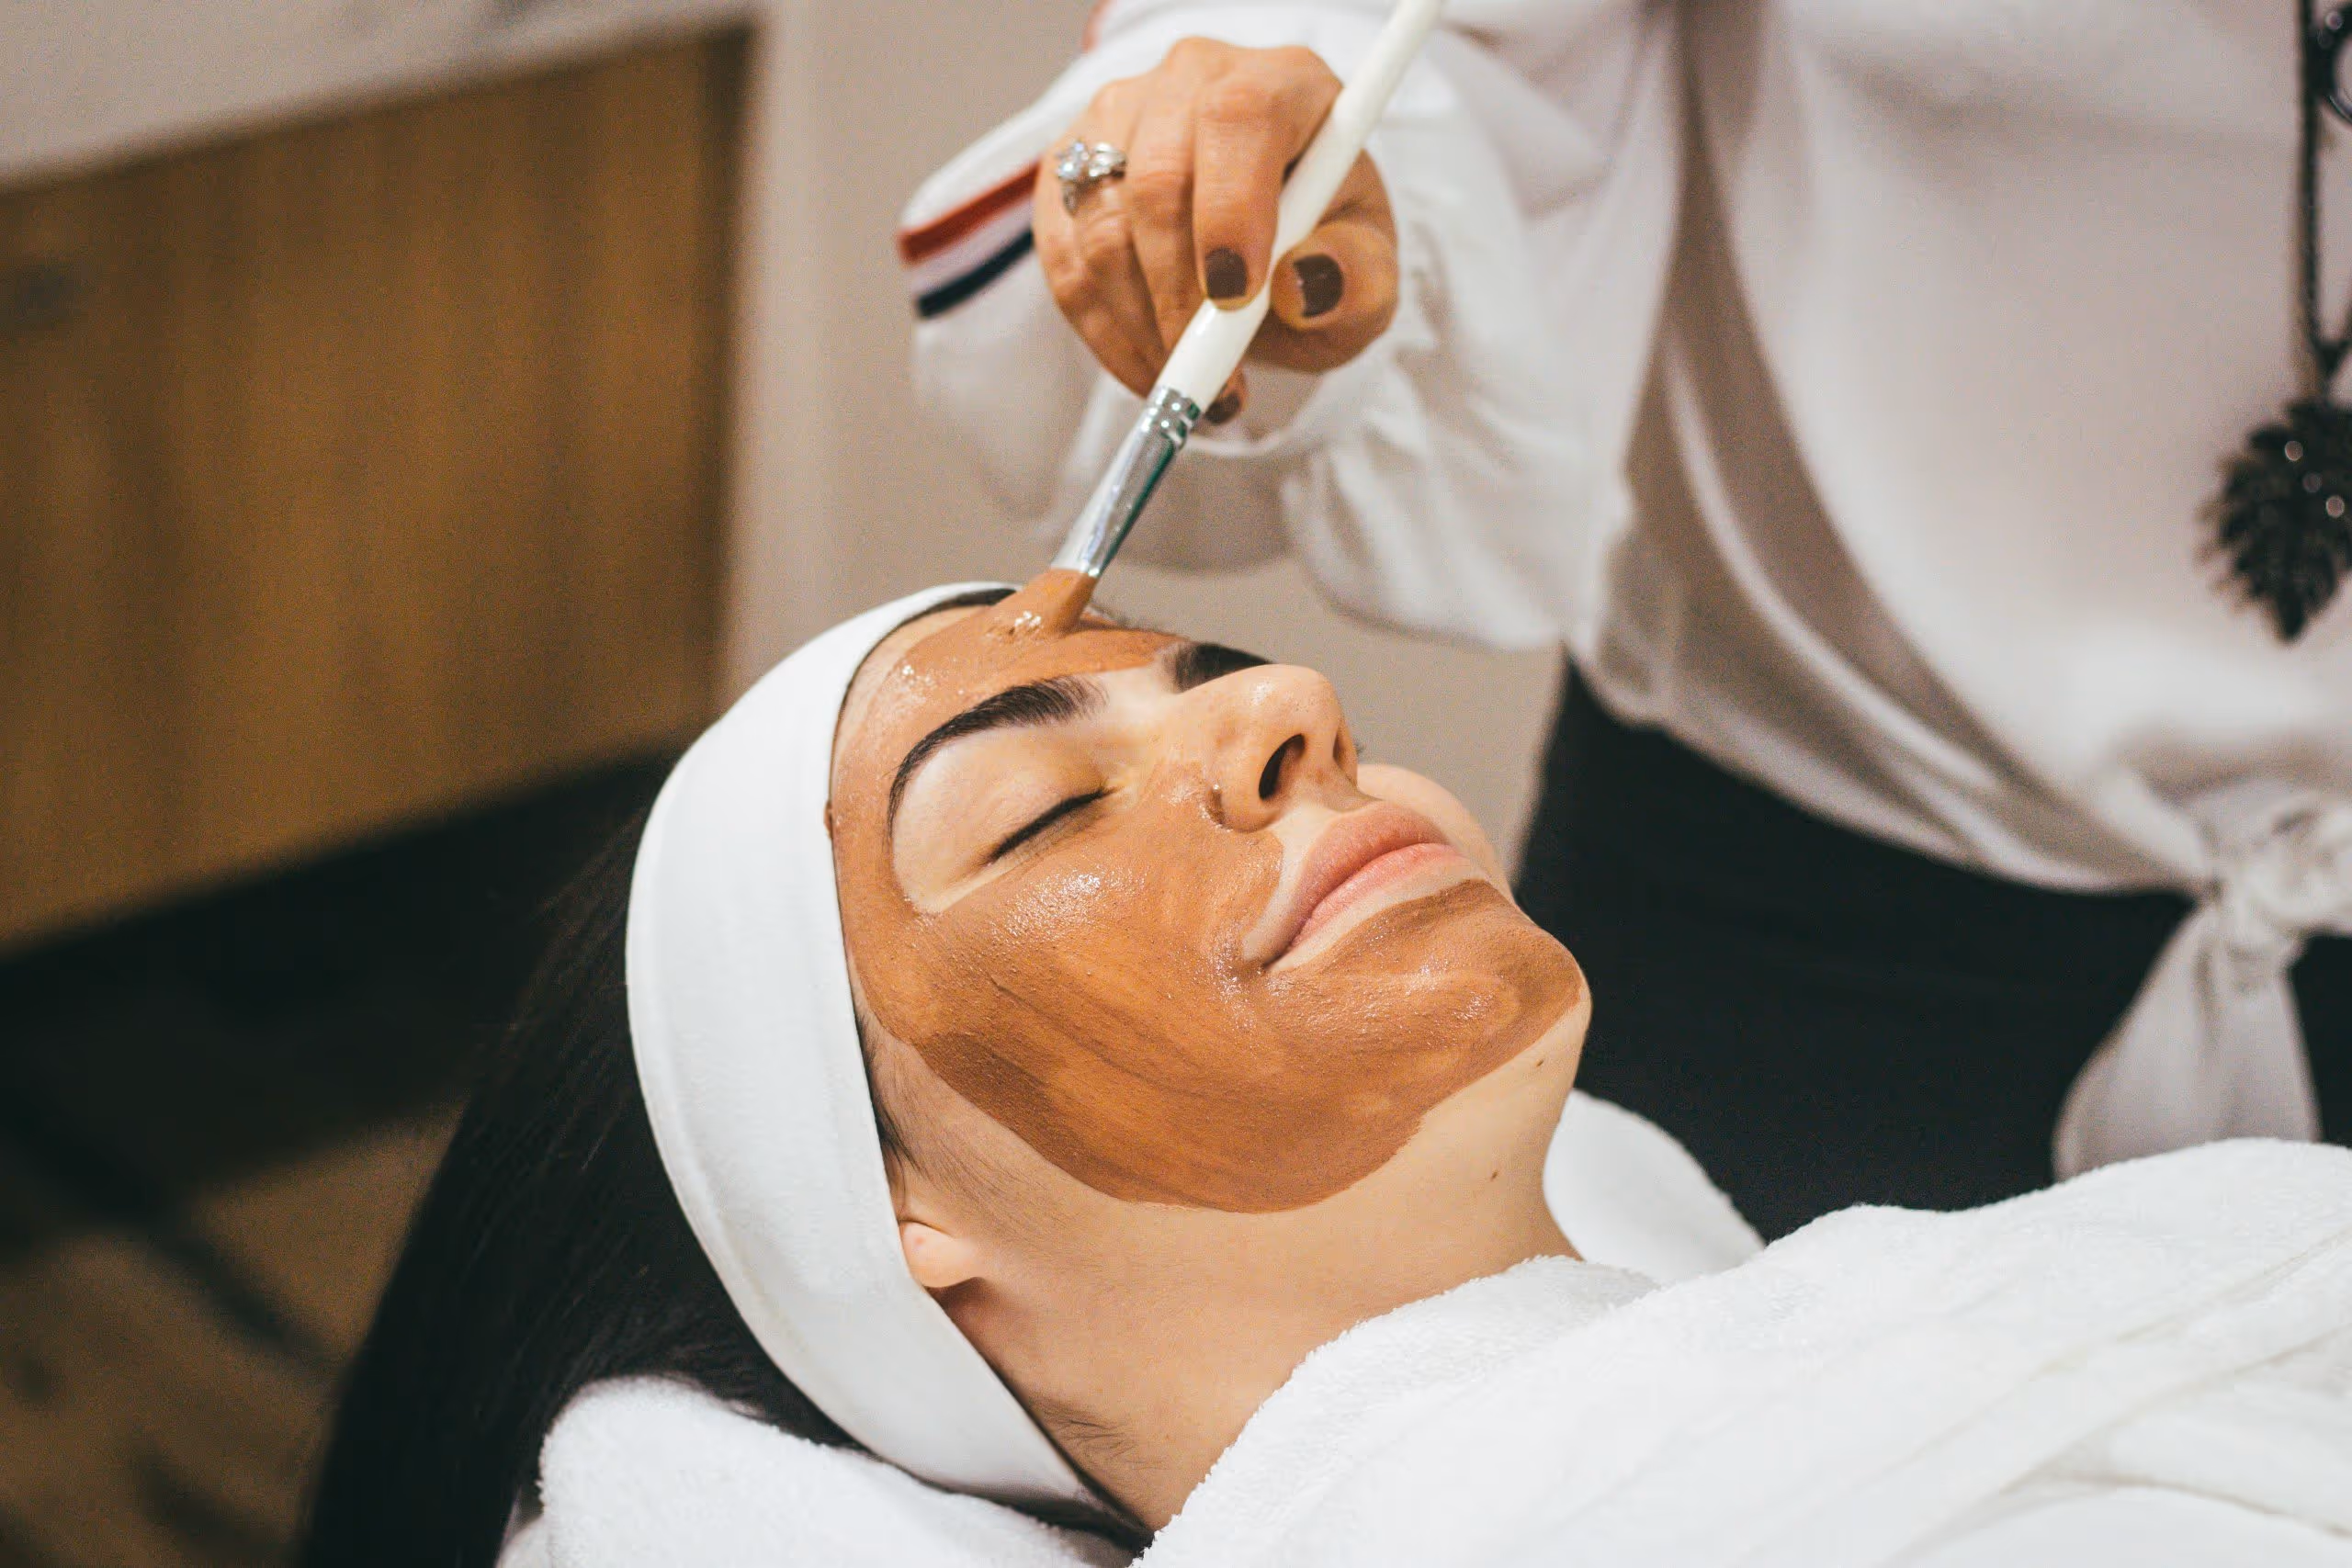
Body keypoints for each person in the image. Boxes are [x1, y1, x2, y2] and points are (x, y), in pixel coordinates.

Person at [303, 578, 2352, 1566]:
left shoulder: (1882, 1362)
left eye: (1209, 676)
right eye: (1035, 813)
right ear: (884, 1211)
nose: (1291, 701)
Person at [899, 1, 2352, 1235]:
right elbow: (1402, 52)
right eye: (1032, 808)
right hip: (1803, 947)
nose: (1291, 706)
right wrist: (1273, 162)